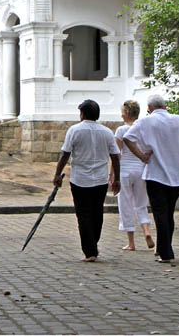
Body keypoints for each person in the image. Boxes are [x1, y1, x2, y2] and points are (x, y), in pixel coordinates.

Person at [123, 94, 179, 263]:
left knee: (160, 213)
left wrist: (141, 156)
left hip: (155, 174)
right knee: (169, 213)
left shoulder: (145, 122)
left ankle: (166, 253)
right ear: (165, 106)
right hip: (176, 175)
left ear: (149, 109)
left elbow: (128, 138)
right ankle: (162, 248)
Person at [53, 99, 120, 262]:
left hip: (80, 179)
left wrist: (57, 174)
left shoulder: (74, 130)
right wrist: (116, 178)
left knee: (83, 214)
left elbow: (65, 154)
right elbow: (115, 157)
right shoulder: (107, 132)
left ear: (82, 114)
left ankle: (90, 250)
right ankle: (93, 244)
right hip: (100, 179)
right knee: (97, 212)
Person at [112, 99, 154, 252]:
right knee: (141, 203)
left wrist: (112, 175)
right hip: (141, 169)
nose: (121, 116)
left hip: (124, 170)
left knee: (125, 205)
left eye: (122, 113)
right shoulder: (144, 129)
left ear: (127, 113)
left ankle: (131, 242)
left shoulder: (121, 130)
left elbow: (117, 154)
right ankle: (146, 230)